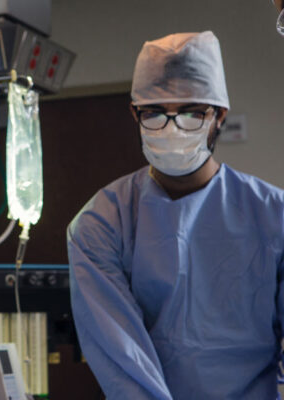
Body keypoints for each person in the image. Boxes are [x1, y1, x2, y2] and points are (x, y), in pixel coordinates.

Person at [68, 31, 284, 399]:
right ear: (135, 113)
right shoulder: (101, 222)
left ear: (219, 116)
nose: (172, 128)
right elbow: (122, 357)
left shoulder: (274, 216)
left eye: (191, 113)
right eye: (155, 113)